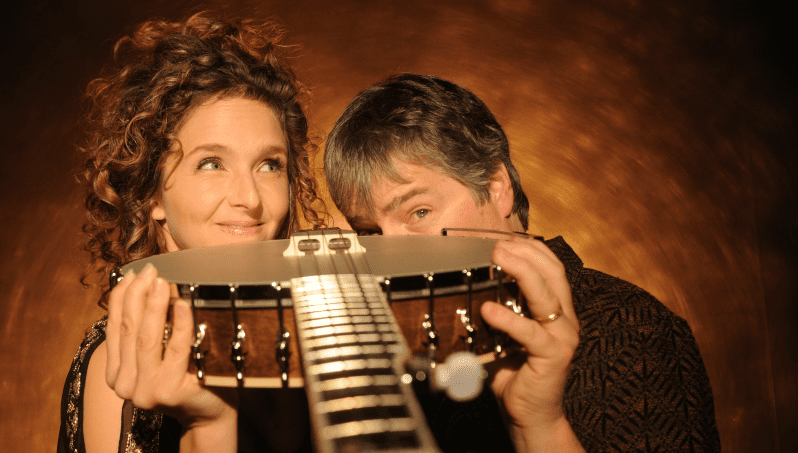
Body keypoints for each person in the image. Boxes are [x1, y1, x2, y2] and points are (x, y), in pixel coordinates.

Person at [323, 73, 721, 452]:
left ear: (497, 188)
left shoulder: (634, 329)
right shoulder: (393, 351)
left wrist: (539, 425)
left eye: (419, 212)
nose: (390, 254)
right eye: (369, 233)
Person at [58, 12, 324, 453]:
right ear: (154, 194)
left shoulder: (313, 342)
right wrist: (209, 424)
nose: (250, 199)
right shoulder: (120, 365)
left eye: (269, 165)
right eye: (212, 163)